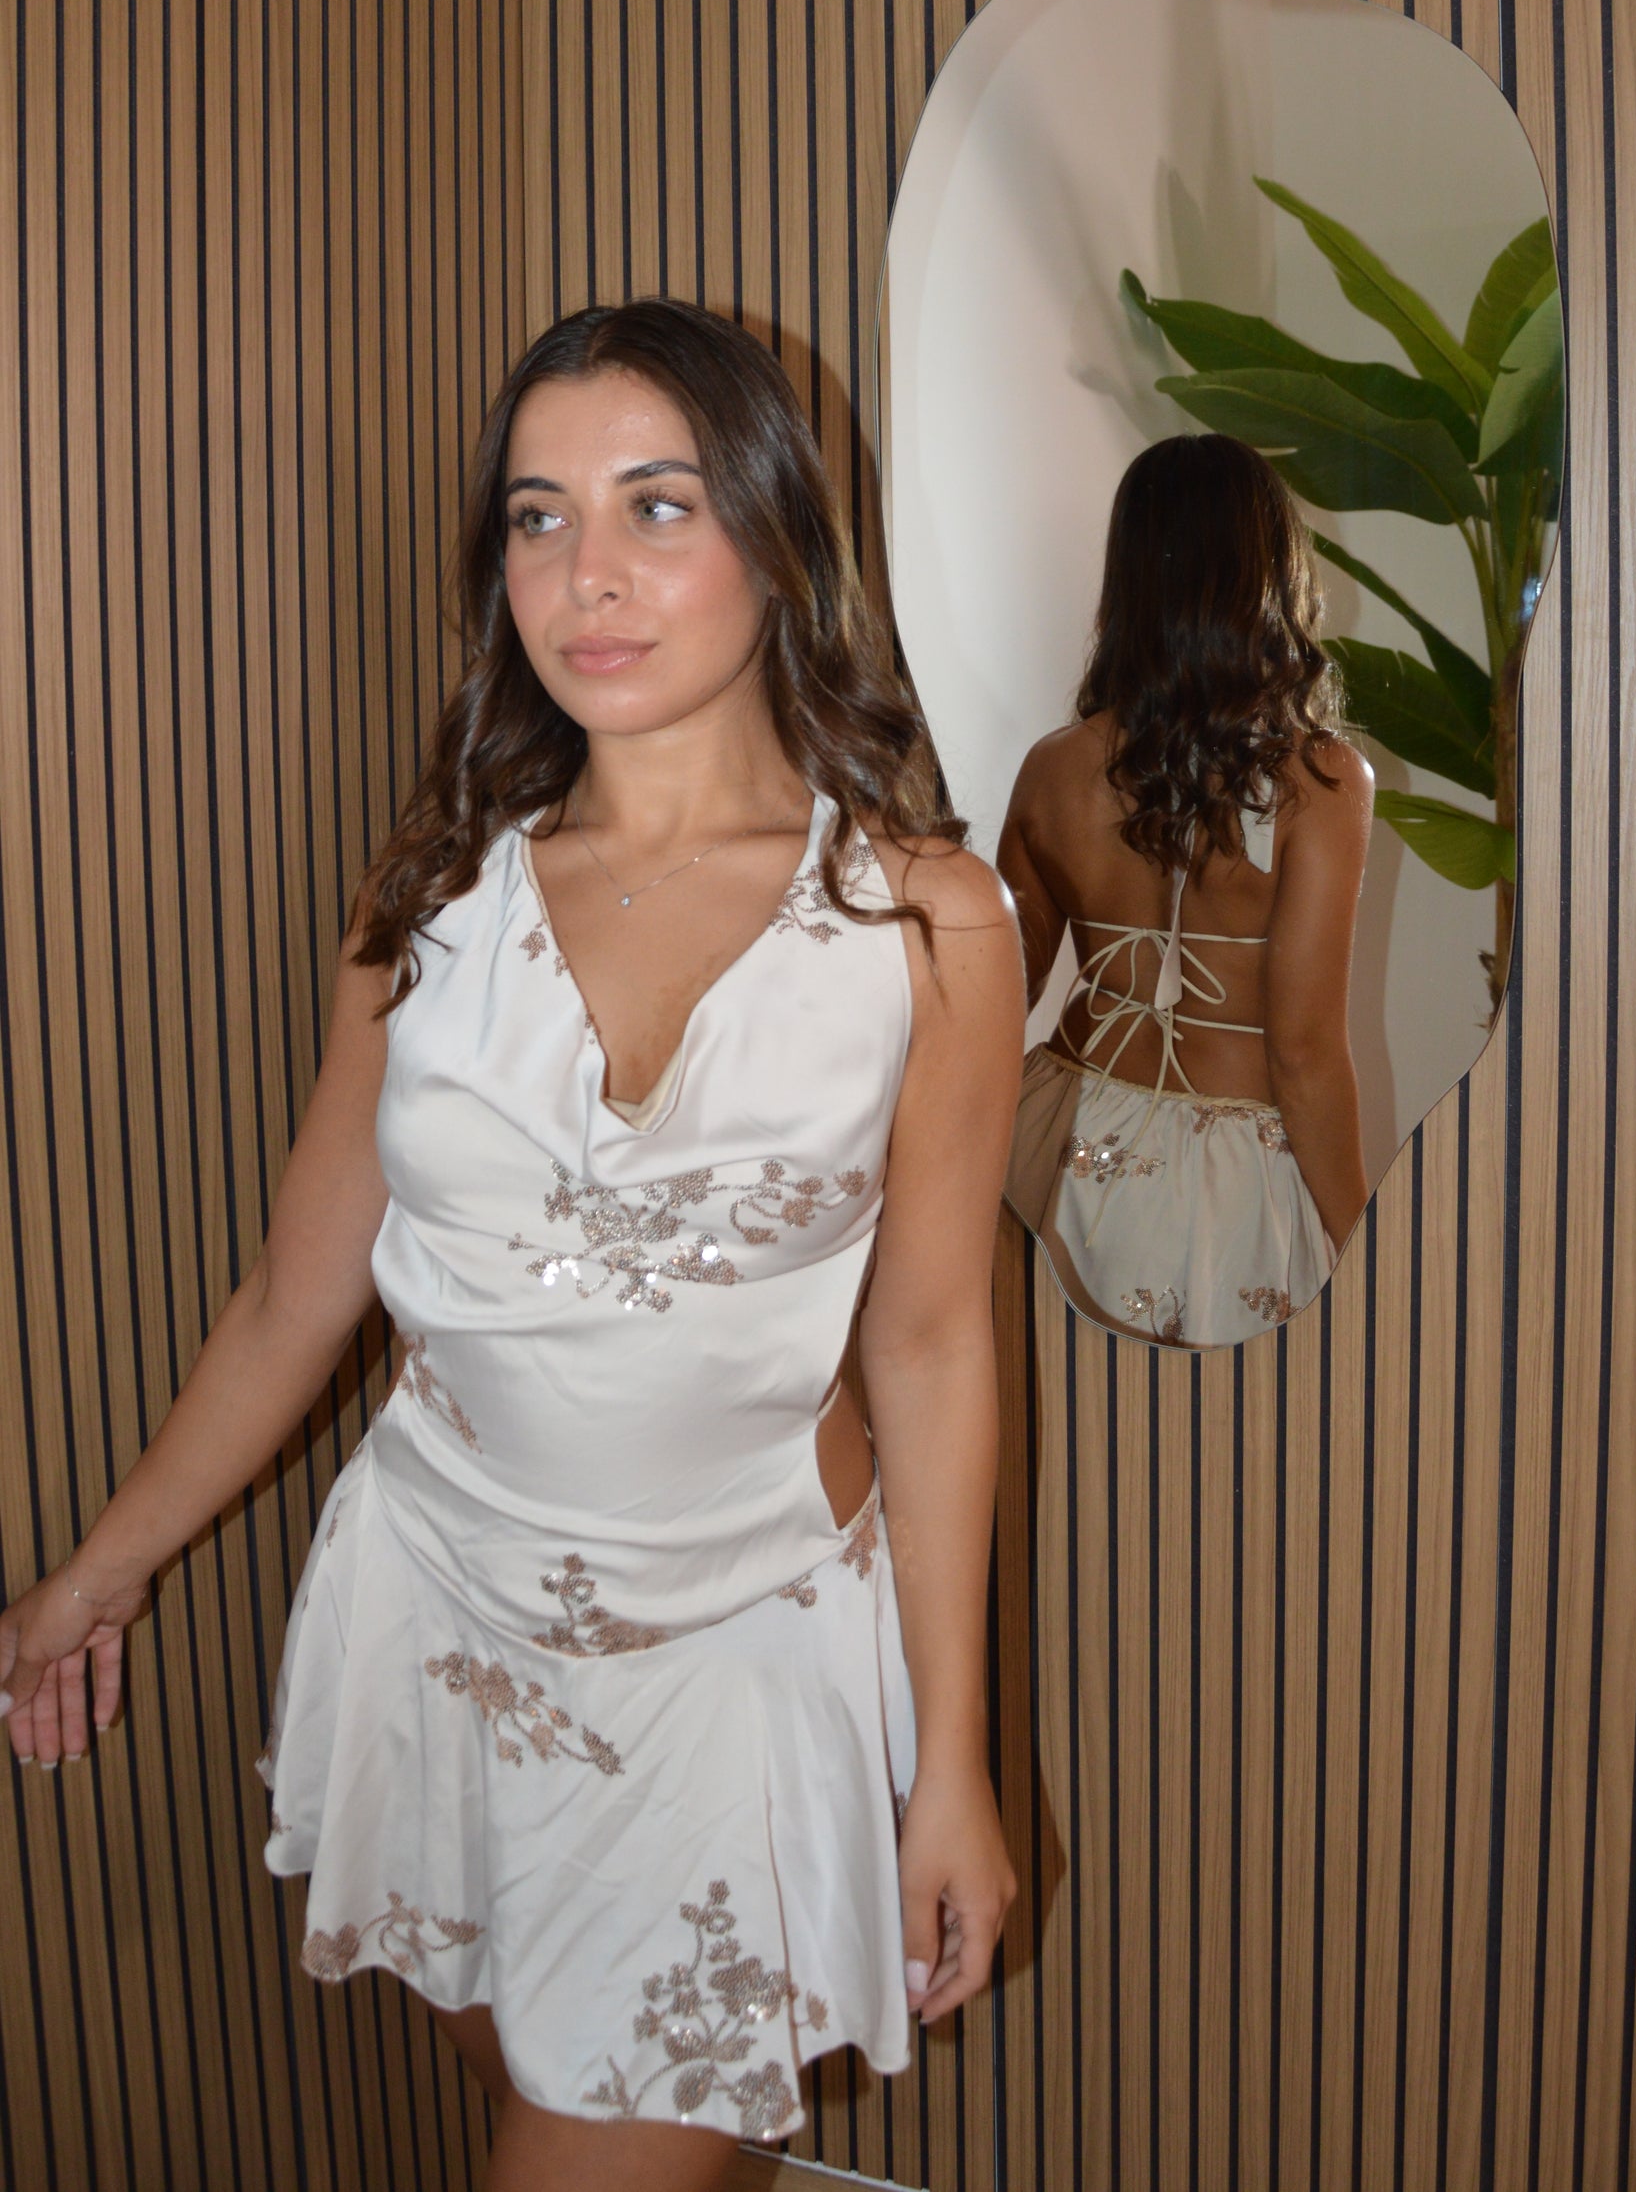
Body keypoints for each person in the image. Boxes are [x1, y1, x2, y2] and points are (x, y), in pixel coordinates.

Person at [0, 299, 1022, 2185]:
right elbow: (296, 1291)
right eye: (538, 517)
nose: (585, 575)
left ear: (777, 537)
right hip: (436, 1620)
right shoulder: (428, 898)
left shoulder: (923, 922)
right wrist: (102, 1571)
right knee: (533, 2073)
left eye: (657, 504)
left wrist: (951, 1754)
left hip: (729, 1666)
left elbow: (936, 1342)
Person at [995, 432, 1373, 1349]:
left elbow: (994, 998)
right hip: (1230, 1184)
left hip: (1061, 1140)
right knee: (1224, 1435)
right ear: (1273, 572)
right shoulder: (1322, 782)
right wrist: (1367, 1245)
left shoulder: (1053, 767)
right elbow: (1304, 1053)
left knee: (1067, 1420)